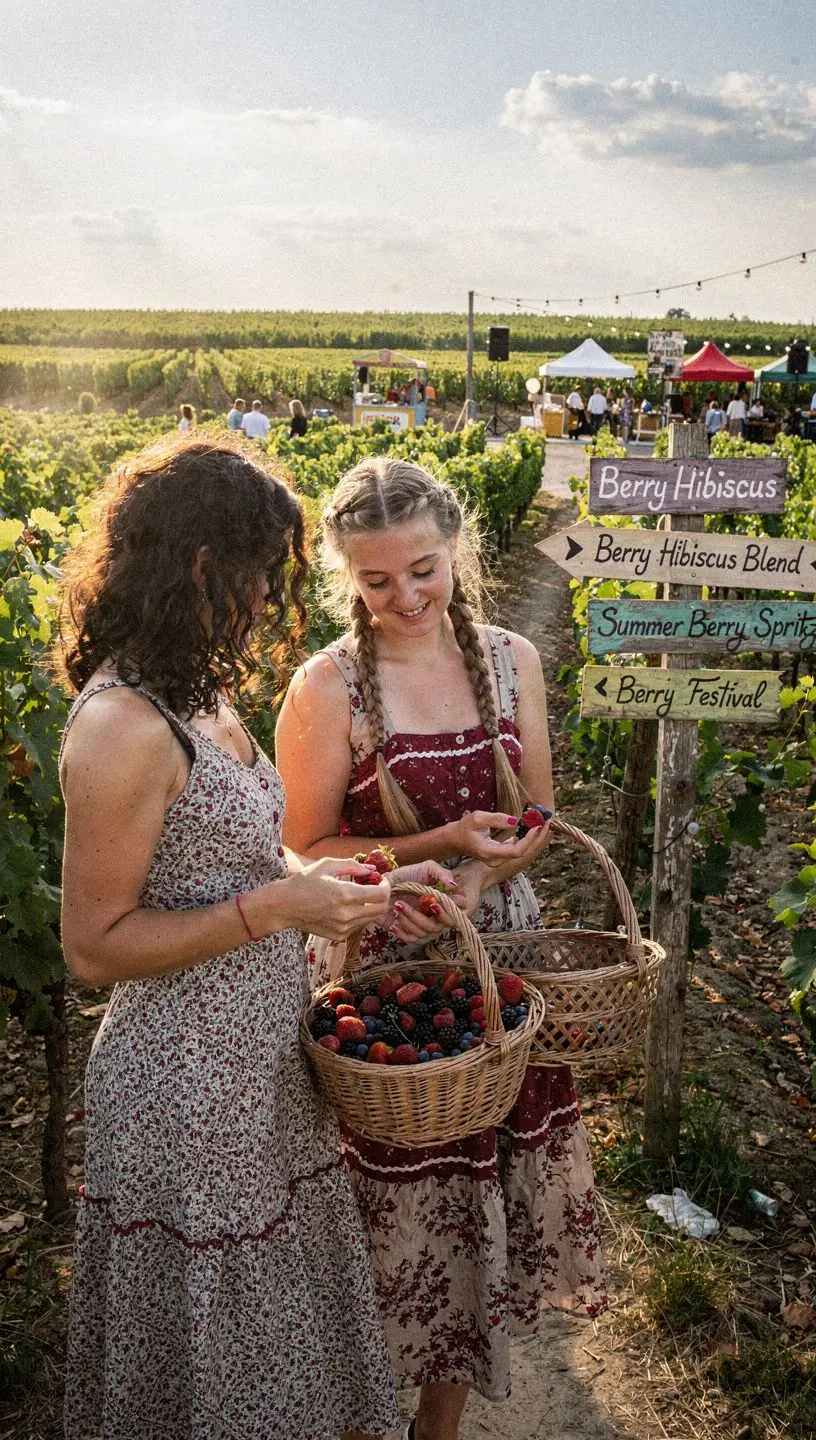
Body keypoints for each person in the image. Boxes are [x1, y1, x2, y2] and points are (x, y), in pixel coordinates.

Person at [56, 435, 422, 1440]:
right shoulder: (122, 728)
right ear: (203, 566)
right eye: (262, 573)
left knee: (273, 1349)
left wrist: (362, 880)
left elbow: (243, 864)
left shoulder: (198, 690)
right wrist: (277, 911)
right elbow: (92, 946)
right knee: (221, 1366)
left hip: (255, 1073)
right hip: (182, 1092)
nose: (271, 598)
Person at [276, 457, 607, 1440]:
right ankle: (356, 1416)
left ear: (456, 546)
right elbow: (306, 846)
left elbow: (536, 816)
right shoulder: (327, 687)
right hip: (382, 982)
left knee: (477, 1217)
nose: (406, 597)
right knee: (387, 1226)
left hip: (497, 965)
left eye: (423, 569)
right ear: (349, 578)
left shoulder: (512, 660)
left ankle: (439, 1426)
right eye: (377, 582)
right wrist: (419, 865)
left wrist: (479, 881)